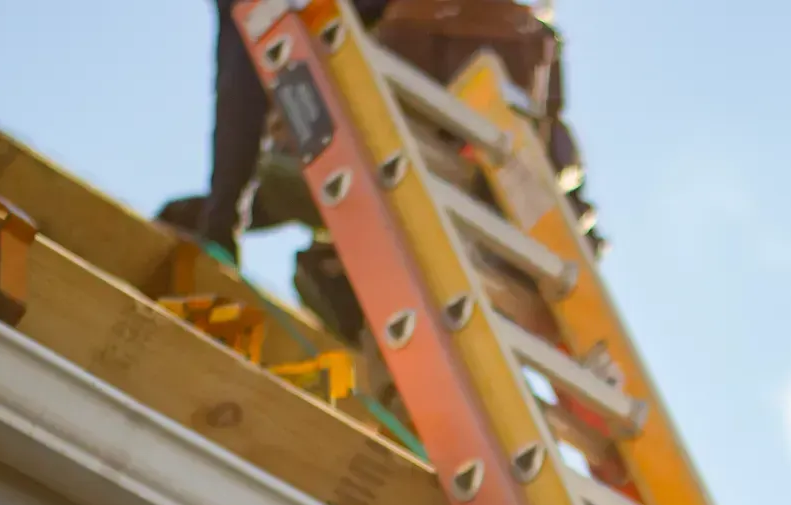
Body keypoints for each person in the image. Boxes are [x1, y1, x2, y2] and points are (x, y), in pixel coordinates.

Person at [158, 0, 603, 336]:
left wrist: (223, 220)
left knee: (392, 280)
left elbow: (242, 94)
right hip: (496, 160)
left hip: (426, 140)